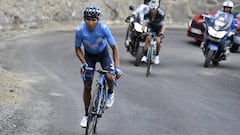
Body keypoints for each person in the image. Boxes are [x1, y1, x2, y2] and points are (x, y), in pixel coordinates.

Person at [75, 5, 122, 128]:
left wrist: (116, 67)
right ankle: (86, 115)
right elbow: (77, 48)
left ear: (98, 20)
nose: (90, 23)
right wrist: (83, 62)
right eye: (88, 19)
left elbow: (114, 48)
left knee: (109, 76)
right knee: (87, 85)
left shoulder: (104, 29)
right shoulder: (80, 30)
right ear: (84, 19)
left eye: (93, 20)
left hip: (103, 55)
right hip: (89, 56)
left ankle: (110, 93)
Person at [141, 0, 165, 64]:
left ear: (157, 8)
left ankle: (157, 56)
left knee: (158, 41)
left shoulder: (161, 14)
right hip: (151, 26)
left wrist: (161, 33)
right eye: (151, 9)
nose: (153, 11)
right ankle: (145, 55)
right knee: (148, 38)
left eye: (154, 9)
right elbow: (144, 24)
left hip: (158, 28)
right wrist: (143, 31)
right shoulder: (147, 13)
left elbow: (163, 25)